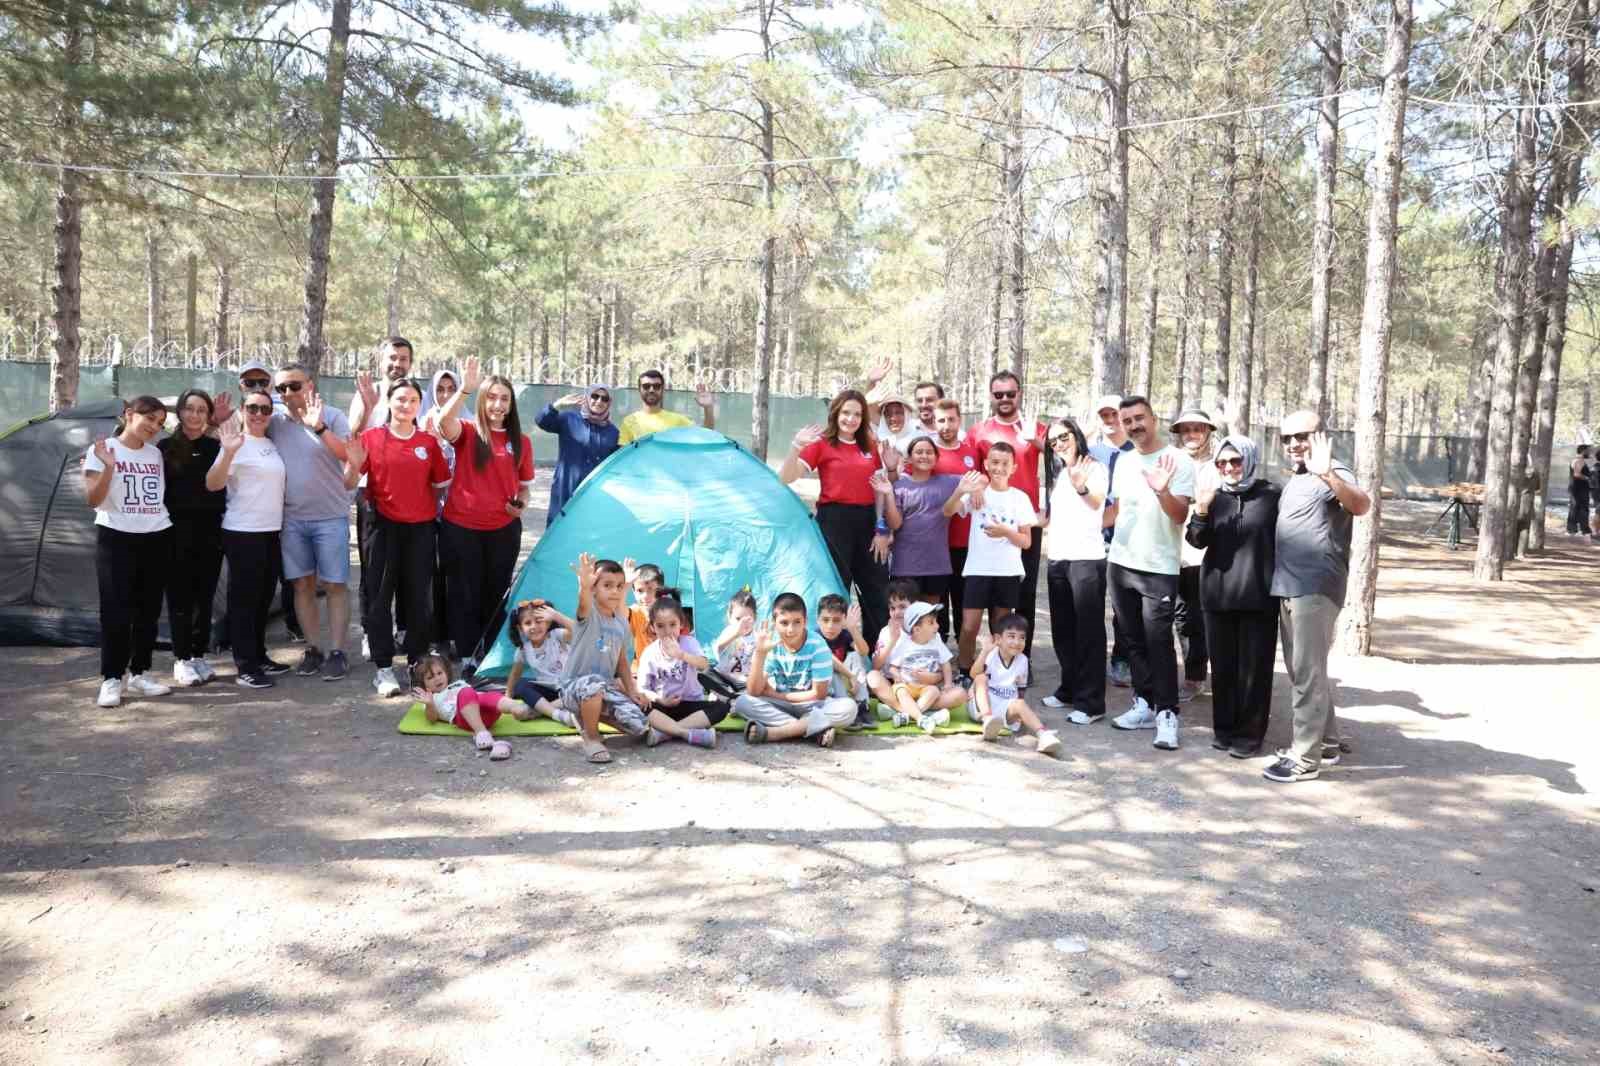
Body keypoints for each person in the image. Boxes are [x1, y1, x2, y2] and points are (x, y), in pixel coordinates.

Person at [1263, 412, 1371, 783]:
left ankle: (1305, 759)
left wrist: (1328, 475)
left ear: (1321, 435)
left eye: (1302, 435)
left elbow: (1361, 505)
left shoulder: (1333, 470)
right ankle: (1325, 742)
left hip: (1315, 586)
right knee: (1303, 670)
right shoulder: (1298, 476)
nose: (1294, 443)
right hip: (1289, 585)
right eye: (1287, 438)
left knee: (1307, 672)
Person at [343, 377, 452, 698]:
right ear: (389, 402)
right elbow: (349, 483)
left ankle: (417, 664)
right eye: (401, 399)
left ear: (420, 405)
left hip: (420, 531)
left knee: (419, 599)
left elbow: (439, 486)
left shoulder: (428, 443)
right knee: (379, 598)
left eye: (413, 400)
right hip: (382, 529)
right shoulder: (371, 437)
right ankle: (383, 668)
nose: (406, 405)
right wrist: (353, 464)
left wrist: (417, 508)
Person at [1105, 396, 1195, 752]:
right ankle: (1143, 703)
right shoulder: (1124, 461)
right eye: (1127, 420)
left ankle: (1167, 714)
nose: (1134, 425)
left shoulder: (1178, 460)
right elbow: (1118, 510)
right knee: (1132, 639)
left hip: (1158, 567)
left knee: (1159, 641)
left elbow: (1179, 515)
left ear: (1154, 419)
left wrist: (1163, 491)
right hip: (1121, 562)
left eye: (1139, 418)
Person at [435, 363, 535, 673]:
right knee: (465, 592)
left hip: (503, 530)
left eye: (504, 398)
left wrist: (521, 504)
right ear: (481, 400)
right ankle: (467, 655)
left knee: (495, 594)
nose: (497, 404)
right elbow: (442, 421)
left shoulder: (522, 441)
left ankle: (490, 655)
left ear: (511, 404)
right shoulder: (467, 432)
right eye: (491, 397)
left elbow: (525, 488)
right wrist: (465, 388)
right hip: (461, 528)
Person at [1186, 435, 1281, 757]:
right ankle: (1224, 730)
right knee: (1223, 669)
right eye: (1222, 462)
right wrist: (1201, 509)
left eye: (1235, 461)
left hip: (1259, 597)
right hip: (1217, 596)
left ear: (1249, 459)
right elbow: (1196, 540)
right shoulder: (1214, 497)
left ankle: (1249, 736)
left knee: (1254, 671)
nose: (1228, 468)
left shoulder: (1272, 495)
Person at [779, 389, 892, 647]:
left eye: (857, 414)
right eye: (846, 413)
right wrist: (796, 446)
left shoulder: (870, 445)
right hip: (834, 522)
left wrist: (881, 527)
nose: (851, 419)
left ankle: (876, 652)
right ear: (836, 414)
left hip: (867, 522)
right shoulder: (821, 444)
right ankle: (834, 650)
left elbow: (879, 489)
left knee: (876, 588)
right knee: (836, 588)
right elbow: (786, 477)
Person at [84, 396, 175, 708]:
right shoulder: (103, 450)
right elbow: (93, 500)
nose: (154, 427)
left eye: (160, 423)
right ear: (129, 414)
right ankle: (112, 678)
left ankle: (140, 673)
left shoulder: (156, 454)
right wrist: (109, 468)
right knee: (116, 611)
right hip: (116, 537)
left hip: (156, 535)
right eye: (149, 418)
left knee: (148, 611)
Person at [267, 363, 355, 682]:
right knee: (302, 585)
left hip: (330, 515)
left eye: (294, 385)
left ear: (310, 385)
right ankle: (314, 648)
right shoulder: (275, 422)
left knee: (334, 585)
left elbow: (348, 454)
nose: (288, 393)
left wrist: (318, 427)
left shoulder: (332, 416)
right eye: (281, 388)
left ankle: (338, 652)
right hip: (292, 519)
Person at [348, 338, 430, 639]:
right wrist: (368, 406)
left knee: (410, 571)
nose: (398, 363)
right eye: (392, 357)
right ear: (381, 360)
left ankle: (404, 629)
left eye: (403, 358)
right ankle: (372, 632)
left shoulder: (417, 395)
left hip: (411, 499)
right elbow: (352, 435)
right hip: (372, 494)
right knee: (373, 570)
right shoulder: (367, 392)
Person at [207, 389, 289, 689]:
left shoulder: (269, 443)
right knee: (244, 600)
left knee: (264, 597)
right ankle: (245, 665)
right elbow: (213, 483)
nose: (258, 414)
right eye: (252, 408)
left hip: (270, 531)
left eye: (265, 409)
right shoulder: (235, 443)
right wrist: (228, 452)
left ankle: (259, 655)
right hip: (243, 532)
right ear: (242, 410)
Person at [964, 371, 1047, 653]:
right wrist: (978, 484)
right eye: (999, 394)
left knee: (1024, 595)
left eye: (1010, 393)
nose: (1005, 399)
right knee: (993, 598)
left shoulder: (1035, 427)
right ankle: (990, 658)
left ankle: (1021, 659)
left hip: (1025, 520)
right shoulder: (979, 431)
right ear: (991, 396)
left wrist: (1035, 441)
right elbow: (973, 469)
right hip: (990, 520)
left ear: (1019, 393)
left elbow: (1059, 460)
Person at [1040, 417, 1109, 724]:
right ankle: (1069, 689)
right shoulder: (1057, 473)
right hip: (1058, 558)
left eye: (1064, 437)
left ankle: (1092, 703)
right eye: (1053, 441)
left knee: (1088, 633)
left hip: (1086, 560)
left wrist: (1081, 486)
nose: (1059, 444)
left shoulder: (1094, 467)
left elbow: (1096, 504)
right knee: (1063, 630)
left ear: (1076, 435)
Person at [944, 444, 1036, 674]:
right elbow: (947, 511)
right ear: (985, 464)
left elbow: (1026, 541)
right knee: (969, 626)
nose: (999, 468)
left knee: (1001, 628)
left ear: (1014, 467)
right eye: (994, 462)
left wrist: (1005, 532)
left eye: (1005, 464)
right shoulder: (977, 492)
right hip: (978, 570)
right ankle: (965, 670)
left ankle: (997, 673)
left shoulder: (1020, 498)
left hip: (1008, 572)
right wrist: (960, 490)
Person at [553, 553, 653, 763]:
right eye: (607, 585)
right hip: (573, 688)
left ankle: (584, 716)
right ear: (594, 589)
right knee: (594, 684)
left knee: (639, 726)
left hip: (602, 689)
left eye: (619, 586)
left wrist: (632, 690)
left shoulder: (621, 623)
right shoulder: (589, 615)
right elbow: (583, 603)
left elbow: (622, 661)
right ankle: (591, 737)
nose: (615, 591)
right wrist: (584, 586)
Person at [160, 389, 225, 688]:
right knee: (180, 597)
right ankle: (182, 658)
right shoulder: (165, 448)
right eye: (189, 408)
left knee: (205, 596)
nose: (195, 415)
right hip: (175, 534)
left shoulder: (216, 447)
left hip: (211, 533)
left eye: (201, 410)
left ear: (208, 415)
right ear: (180, 412)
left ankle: (198, 654)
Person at [734, 593, 857, 746]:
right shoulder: (770, 644)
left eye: (797, 622)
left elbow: (818, 694)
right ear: (775, 623)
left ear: (805, 621)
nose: (791, 630)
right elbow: (754, 691)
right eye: (784, 623)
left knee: (849, 708)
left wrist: (774, 694)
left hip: (813, 705)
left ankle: (774, 733)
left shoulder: (818, 646)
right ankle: (812, 730)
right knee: (742, 702)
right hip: (783, 706)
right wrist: (760, 653)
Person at [881, 436, 961, 614]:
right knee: (903, 616)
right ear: (909, 458)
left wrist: (976, 489)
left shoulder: (948, 482)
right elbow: (895, 524)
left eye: (929, 452)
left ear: (936, 457)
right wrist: (889, 495)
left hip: (936, 565)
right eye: (919, 452)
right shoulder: (899, 486)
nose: (924, 456)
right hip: (905, 565)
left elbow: (980, 479)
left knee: (929, 616)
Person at [411, 652, 539, 762]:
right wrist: (429, 704)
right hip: (464, 718)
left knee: (488, 695)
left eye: (439, 673)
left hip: (486, 713)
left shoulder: (459, 683)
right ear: (424, 684)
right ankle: (481, 733)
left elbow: (477, 697)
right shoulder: (431, 698)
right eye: (430, 677)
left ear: (446, 673)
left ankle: (518, 708)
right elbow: (432, 718)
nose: (437, 679)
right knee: (466, 693)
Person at [1171, 409, 1219, 702]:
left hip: (1201, 554)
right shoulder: (1171, 462)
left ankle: (1195, 676)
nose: (1191, 435)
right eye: (1186, 430)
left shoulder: (1218, 466)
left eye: (1197, 429)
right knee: (1177, 616)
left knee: (1196, 616)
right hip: (1169, 550)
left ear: (1207, 432)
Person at [1088, 394, 1135, 687]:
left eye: (1114, 414)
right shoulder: (1090, 453)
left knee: (1124, 606)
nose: (1110, 420)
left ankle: (1122, 659)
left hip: (1128, 538)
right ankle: (1092, 659)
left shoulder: (1138, 452)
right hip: (1093, 537)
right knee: (1090, 602)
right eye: (1104, 415)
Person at [636, 598, 727, 749]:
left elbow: (704, 665)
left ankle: (666, 733)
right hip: (663, 709)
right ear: (652, 627)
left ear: (681, 624)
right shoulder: (649, 653)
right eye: (660, 626)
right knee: (638, 704)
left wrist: (681, 655)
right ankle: (684, 732)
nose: (667, 631)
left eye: (672, 624)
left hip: (692, 708)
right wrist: (661, 700)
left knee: (722, 706)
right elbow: (642, 689)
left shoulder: (689, 643)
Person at [866, 601, 965, 732]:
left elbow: (946, 664)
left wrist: (947, 684)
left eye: (902, 607)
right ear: (917, 629)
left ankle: (905, 715)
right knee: (897, 689)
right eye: (932, 623)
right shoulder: (901, 642)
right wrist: (898, 676)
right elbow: (892, 667)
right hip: (906, 686)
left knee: (956, 693)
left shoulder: (936, 639)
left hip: (926, 689)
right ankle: (924, 716)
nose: (937, 625)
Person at [973, 613, 1061, 756]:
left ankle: (1043, 735)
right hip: (982, 706)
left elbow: (1021, 689)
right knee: (980, 678)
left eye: (1022, 638)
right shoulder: (991, 655)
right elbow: (974, 674)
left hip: (1005, 707)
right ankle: (987, 719)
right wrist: (984, 651)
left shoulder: (1023, 660)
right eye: (1011, 636)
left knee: (1020, 703)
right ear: (998, 639)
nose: (1017, 642)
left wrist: (1020, 711)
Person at [535, 385, 620, 526]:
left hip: (593, 496)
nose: (599, 401)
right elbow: (541, 421)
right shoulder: (569, 419)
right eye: (595, 396)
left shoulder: (613, 432)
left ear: (609, 402)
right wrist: (557, 405)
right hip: (565, 490)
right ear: (587, 397)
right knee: (559, 531)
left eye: (604, 399)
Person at [931, 398, 979, 640]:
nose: (946, 425)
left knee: (963, 600)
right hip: (935, 541)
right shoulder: (927, 452)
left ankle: (964, 655)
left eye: (951, 419)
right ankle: (936, 650)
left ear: (959, 420)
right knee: (937, 602)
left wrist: (979, 487)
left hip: (965, 540)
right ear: (933, 422)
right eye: (941, 420)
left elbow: (984, 478)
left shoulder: (971, 452)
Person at [617, 369, 716, 444]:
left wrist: (708, 408)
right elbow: (623, 456)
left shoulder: (678, 420)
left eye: (656, 386)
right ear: (639, 389)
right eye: (646, 386)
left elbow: (704, 436)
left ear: (663, 389)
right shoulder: (629, 421)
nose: (651, 390)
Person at [505, 599, 572, 705]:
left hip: (571, 686)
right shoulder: (523, 650)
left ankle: (543, 709)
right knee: (521, 686)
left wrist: (556, 616)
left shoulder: (557, 635)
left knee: (579, 691)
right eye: (528, 623)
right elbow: (515, 675)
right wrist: (507, 697)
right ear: (520, 628)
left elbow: (580, 631)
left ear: (548, 622)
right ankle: (555, 707)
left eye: (538, 621)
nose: (533, 626)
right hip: (551, 691)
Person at [815, 595, 870, 717]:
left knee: (855, 656)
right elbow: (829, 658)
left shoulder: (844, 634)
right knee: (830, 668)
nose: (830, 626)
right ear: (818, 620)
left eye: (836, 620)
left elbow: (864, 652)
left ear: (844, 620)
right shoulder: (815, 636)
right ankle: (845, 706)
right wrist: (851, 676)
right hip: (828, 682)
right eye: (825, 620)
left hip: (845, 677)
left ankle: (862, 704)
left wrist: (853, 629)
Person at [711, 588, 759, 688]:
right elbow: (719, 647)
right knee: (709, 673)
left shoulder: (756, 637)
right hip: (724, 678)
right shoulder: (729, 632)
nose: (742, 623)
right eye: (738, 619)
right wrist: (736, 634)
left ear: (755, 618)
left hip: (745, 681)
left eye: (748, 619)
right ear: (729, 617)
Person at [1568, 445, 1592, 536]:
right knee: (1577, 508)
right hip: (1578, 489)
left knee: (1581, 508)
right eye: (1588, 451)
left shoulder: (1580, 461)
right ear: (1583, 451)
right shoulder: (1578, 461)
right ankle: (1573, 529)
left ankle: (1583, 529)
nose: (1589, 453)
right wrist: (1588, 478)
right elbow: (1577, 474)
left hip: (1580, 489)